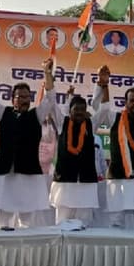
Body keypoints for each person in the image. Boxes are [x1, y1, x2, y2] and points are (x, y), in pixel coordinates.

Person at [0, 59, 55, 229]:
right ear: (13, 99)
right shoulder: (3, 112)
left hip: (28, 175)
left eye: (27, 97)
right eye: (21, 97)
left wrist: (47, 73)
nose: (25, 100)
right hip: (5, 174)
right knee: (3, 222)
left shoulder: (36, 115)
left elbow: (50, 98)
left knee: (27, 223)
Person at [92, 65, 134, 229]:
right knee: (116, 220)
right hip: (118, 177)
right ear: (125, 102)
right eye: (132, 100)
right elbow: (102, 107)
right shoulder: (114, 118)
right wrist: (103, 85)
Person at [48, 94, 102, 227]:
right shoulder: (62, 123)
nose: (79, 112)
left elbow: (105, 108)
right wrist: (49, 84)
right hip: (64, 186)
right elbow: (52, 104)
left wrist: (102, 87)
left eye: (82, 109)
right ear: (70, 110)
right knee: (62, 225)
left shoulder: (91, 124)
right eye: (76, 109)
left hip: (86, 186)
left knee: (84, 226)